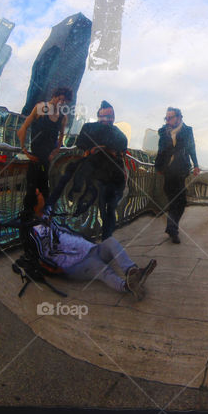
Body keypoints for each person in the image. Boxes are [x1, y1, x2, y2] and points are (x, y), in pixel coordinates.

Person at [24, 188, 156, 299]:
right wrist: (58, 269)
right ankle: (126, 286)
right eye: (39, 194)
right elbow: (44, 255)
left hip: (89, 248)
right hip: (75, 263)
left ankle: (132, 271)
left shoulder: (46, 215)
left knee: (110, 242)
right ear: (35, 203)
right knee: (99, 268)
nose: (42, 195)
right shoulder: (36, 229)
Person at [70, 100, 128, 239]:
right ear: (98, 116)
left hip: (113, 177)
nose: (106, 120)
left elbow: (120, 152)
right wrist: (93, 149)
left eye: (109, 117)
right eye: (103, 117)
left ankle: (106, 240)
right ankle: (84, 233)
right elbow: (81, 145)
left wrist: (102, 148)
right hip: (94, 174)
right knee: (92, 201)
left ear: (113, 117)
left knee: (109, 209)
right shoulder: (89, 128)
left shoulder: (119, 135)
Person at [155, 107, 200, 243]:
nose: (168, 121)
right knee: (175, 200)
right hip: (167, 171)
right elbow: (160, 150)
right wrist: (158, 167)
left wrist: (196, 165)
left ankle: (171, 227)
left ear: (179, 118)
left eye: (170, 118)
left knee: (180, 202)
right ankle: (172, 229)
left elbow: (192, 147)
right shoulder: (163, 132)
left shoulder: (187, 130)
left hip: (181, 170)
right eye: (166, 118)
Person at [17, 87, 71, 200]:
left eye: (65, 101)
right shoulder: (41, 108)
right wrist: (24, 150)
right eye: (60, 99)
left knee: (43, 190)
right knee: (33, 190)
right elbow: (23, 128)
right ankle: (31, 214)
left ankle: (39, 214)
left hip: (47, 159)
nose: (62, 103)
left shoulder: (62, 117)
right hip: (35, 157)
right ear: (54, 96)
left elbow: (61, 136)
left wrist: (55, 152)